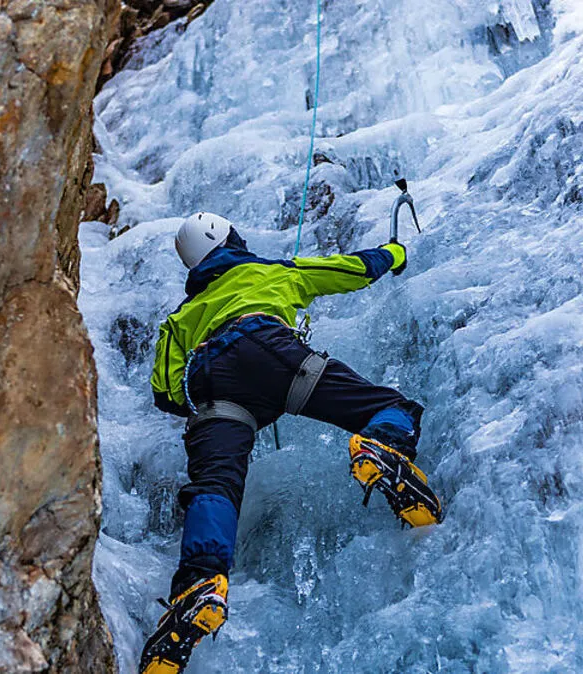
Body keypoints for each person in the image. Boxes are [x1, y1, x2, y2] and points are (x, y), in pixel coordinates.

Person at [138, 212, 442, 674]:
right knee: (392, 408)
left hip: (212, 387)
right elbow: (350, 270)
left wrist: (213, 400)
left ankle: (199, 584)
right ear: (229, 239)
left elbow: (164, 393)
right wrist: (395, 253)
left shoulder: (179, 318)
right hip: (267, 349)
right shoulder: (268, 271)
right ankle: (381, 447)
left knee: (216, 485)